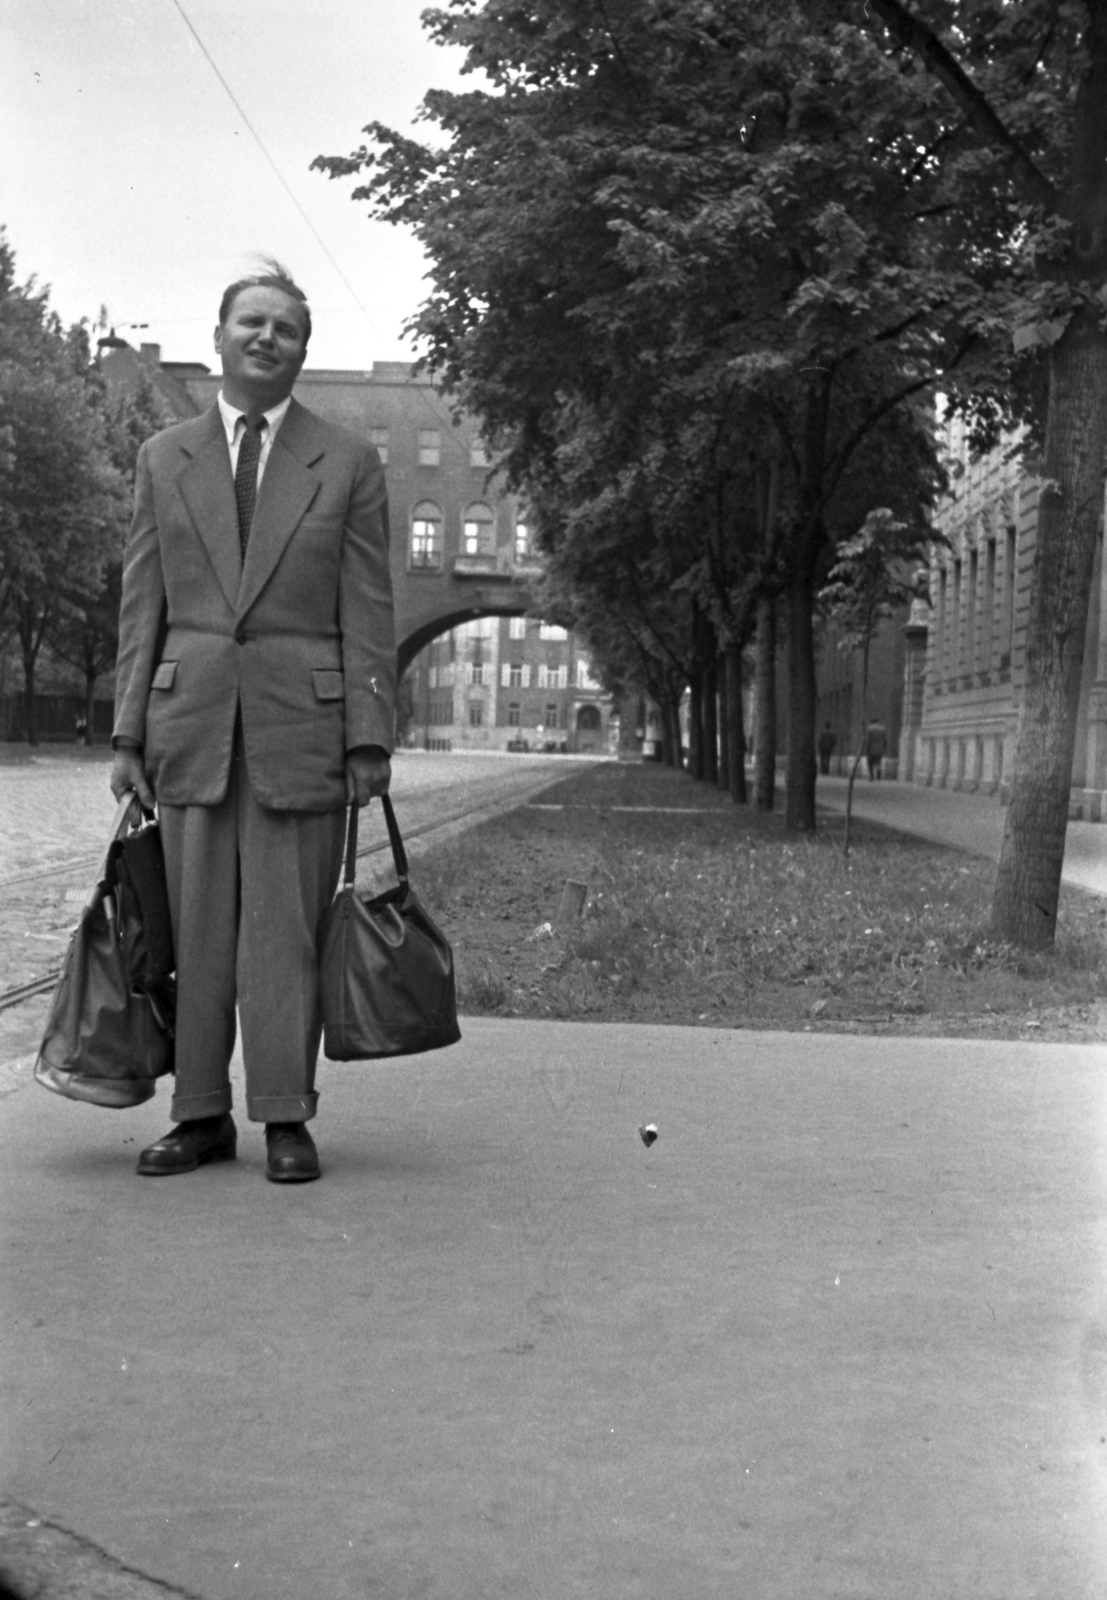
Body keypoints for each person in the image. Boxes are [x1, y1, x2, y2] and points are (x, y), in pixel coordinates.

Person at [110, 262, 396, 1183]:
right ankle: (197, 1115)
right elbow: (140, 601)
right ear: (219, 337)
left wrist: (367, 739)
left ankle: (283, 1116)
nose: (266, 338)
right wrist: (125, 736)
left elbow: (369, 608)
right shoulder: (163, 457)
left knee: (282, 932)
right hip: (187, 724)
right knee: (192, 935)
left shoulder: (347, 460)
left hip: (299, 730)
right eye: (251, 323)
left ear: (302, 353)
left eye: (286, 329)